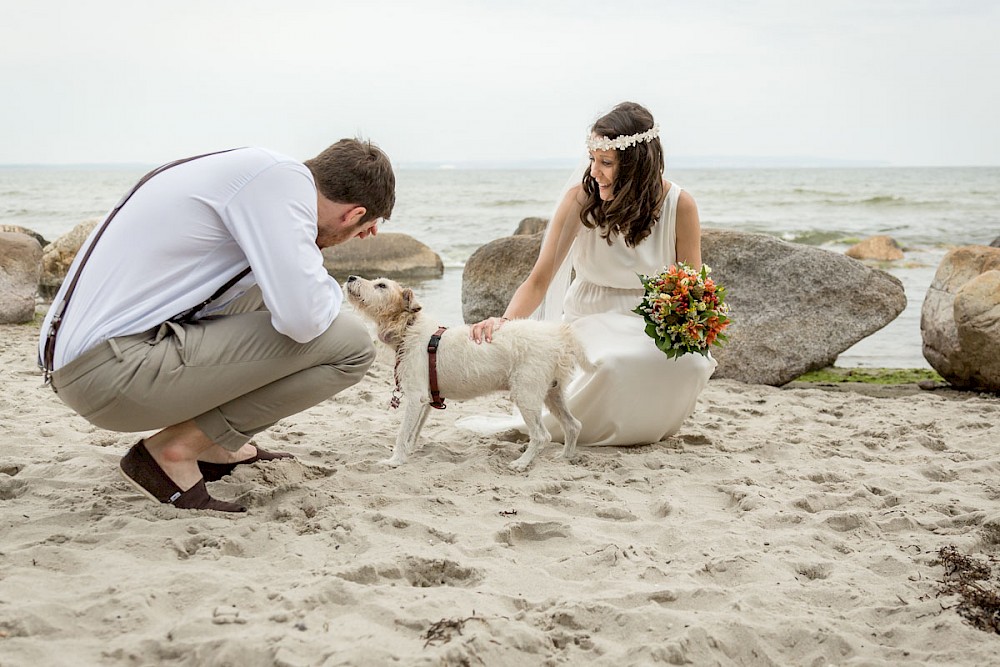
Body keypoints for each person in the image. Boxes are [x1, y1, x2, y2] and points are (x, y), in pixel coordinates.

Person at [38, 139, 395, 512]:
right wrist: (325, 283)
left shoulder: (261, 173)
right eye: (364, 227)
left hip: (90, 362)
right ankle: (176, 451)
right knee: (352, 345)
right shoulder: (279, 188)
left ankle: (216, 446)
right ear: (354, 215)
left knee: (271, 291)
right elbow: (303, 320)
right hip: (111, 374)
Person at [464, 102, 716, 447]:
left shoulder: (680, 204)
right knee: (612, 363)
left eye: (606, 162)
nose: (594, 171)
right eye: (592, 159)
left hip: (649, 319)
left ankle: (642, 426)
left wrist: (695, 326)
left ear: (636, 164)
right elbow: (540, 279)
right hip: (592, 314)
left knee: (690, 364)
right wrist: (505, 322)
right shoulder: (580, 201)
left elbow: (694, 285)